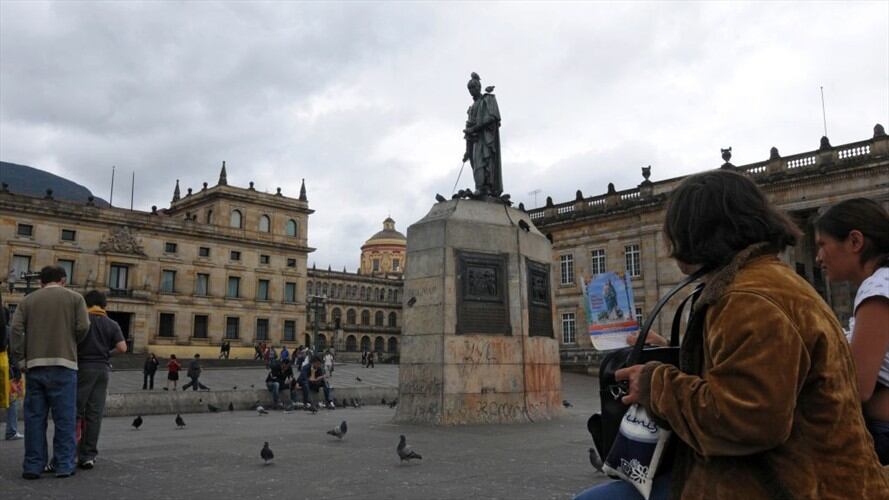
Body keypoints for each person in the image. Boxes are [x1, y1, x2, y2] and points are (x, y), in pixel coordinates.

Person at [574, 171, 889, 499]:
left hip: (791, 484)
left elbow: (749, 419)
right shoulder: (764, 282)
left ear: (696, 232)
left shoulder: (749, 298)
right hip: (790, 473)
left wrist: (655, 384)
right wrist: (675, 353)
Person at [814, 197, 889, 464]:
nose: (818, 257)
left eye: (823, 245)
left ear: (855, 242)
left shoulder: (876, 290)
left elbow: (856, 388)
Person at [10, 265, 90, 479]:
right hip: (64, 365)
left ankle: (33, 466)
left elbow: (16, 329)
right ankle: (63, 465)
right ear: (63, 280)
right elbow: (83, 327)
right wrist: (70, 342)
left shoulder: (28, 301)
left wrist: (21, 358)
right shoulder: (75, 299)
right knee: (65, 419)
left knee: (35, 418)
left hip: (35, 364)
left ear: (41, 282)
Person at [76, 290, 127, 470]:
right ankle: (89, 455)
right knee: (94, 414)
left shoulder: (82, 321)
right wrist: (106, 353)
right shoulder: (112, 324)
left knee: (76, 411)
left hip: (82, 368)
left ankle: (72, 452)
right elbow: (122, 347)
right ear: (104, 305)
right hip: (102, 370)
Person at [462, 72, 502, 197]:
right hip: (474, 140)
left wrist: (474, 128)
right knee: (476, 167)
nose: (471, 91)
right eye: (469, 89)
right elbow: (468, 127)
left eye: (473, 88)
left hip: (485, 139)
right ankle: (480, 188)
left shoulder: (488, 99)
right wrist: (467, 150)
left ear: (479, 87)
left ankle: (485, 188)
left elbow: (492, 117)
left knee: (483, 164)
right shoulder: (471, 107)